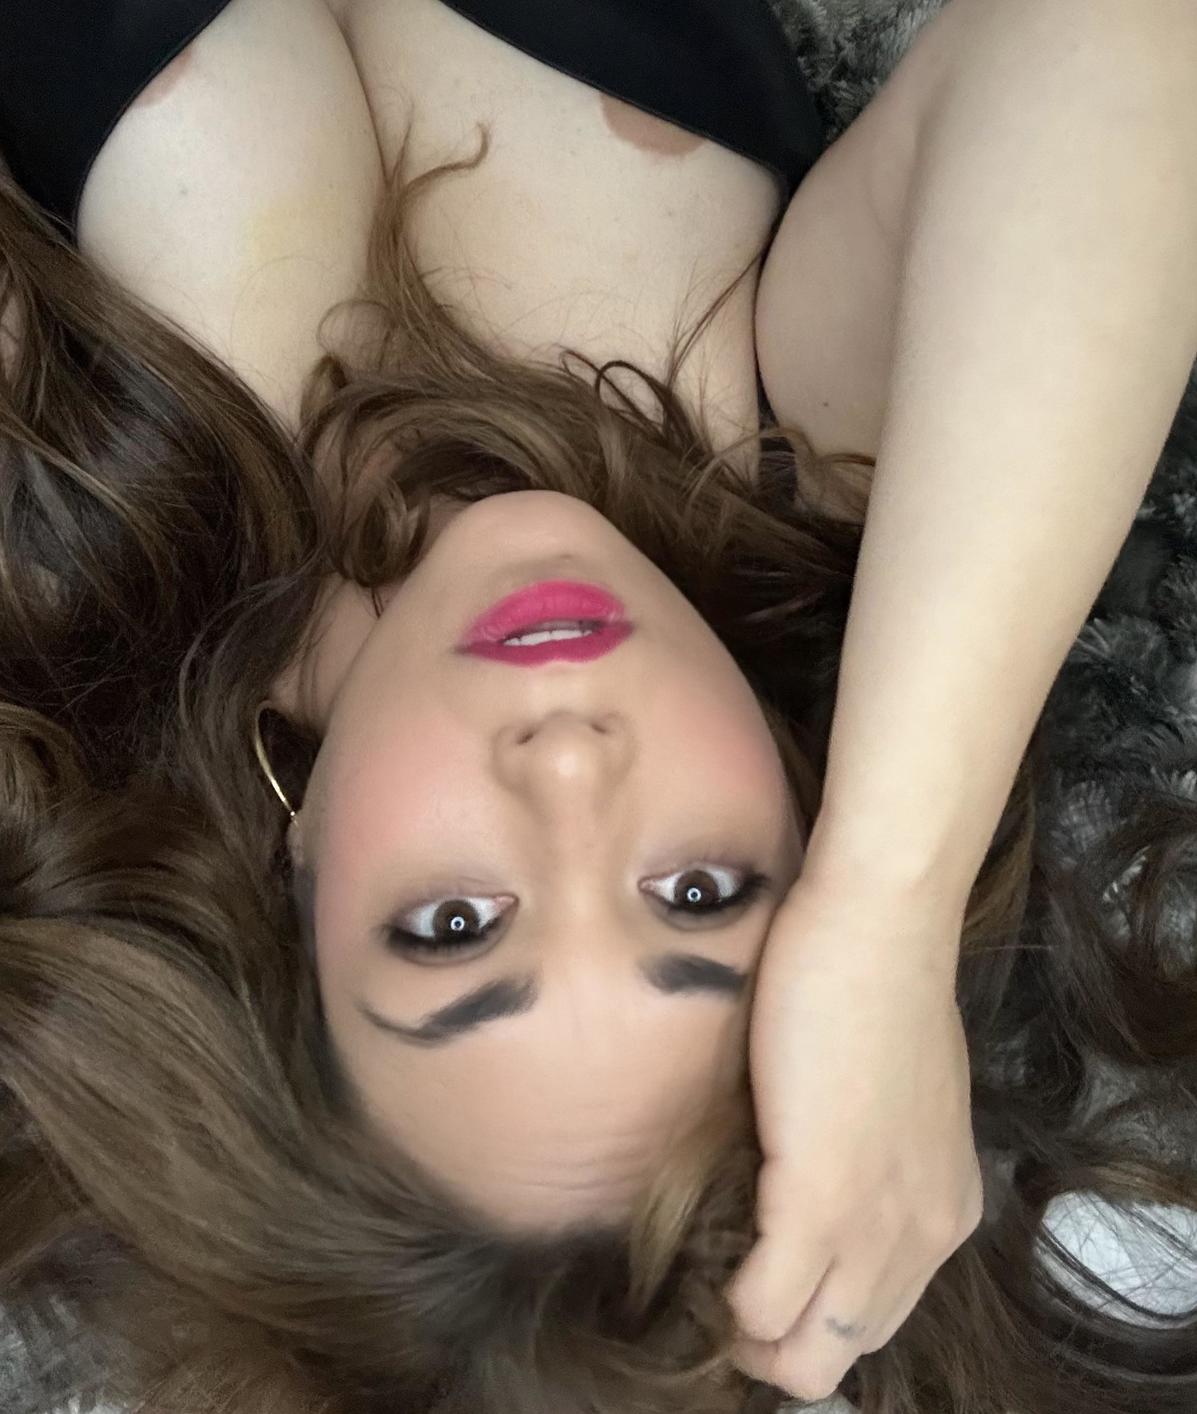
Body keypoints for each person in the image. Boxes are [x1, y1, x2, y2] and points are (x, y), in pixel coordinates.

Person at [1, 1, 1196, 1411]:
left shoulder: (77, 599)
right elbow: (1120, 43)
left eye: (456, 924)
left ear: (293, 892)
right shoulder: (789, 479)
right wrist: (891, 897)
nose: (567, 765)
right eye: (696, 892)